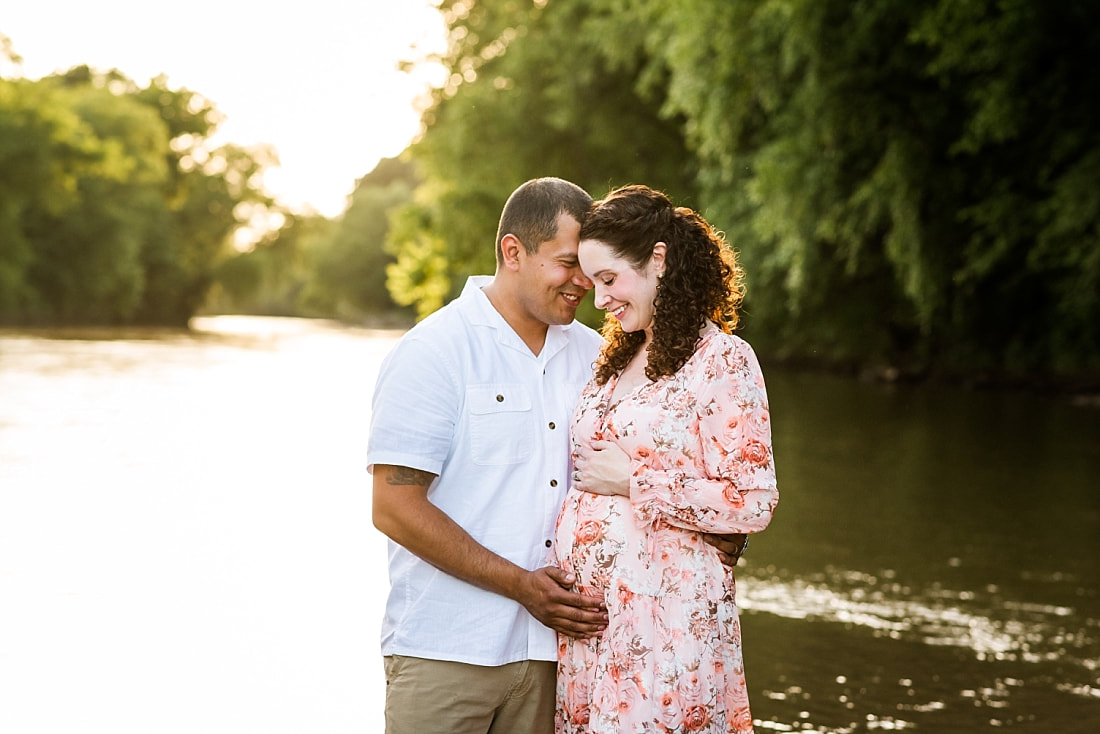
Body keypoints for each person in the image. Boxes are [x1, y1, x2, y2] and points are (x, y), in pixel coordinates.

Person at [368, 177, 749, 734]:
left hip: (566, 659)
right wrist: (522, 585)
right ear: (513, 252)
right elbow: (393, 506)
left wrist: (708, 532)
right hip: (450, 650)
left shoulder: (603, 356)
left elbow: (660, 463)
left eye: (596, 274)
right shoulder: (434, 352)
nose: (584, 287)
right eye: (568, 264)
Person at [555, 184, 779, 733]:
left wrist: (637, 481)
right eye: (592, 284)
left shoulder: (722, 360)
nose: (599, 299)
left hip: (666, 627)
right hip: (592, 632)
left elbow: (752, 501)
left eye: (609, 280)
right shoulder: (617, 358)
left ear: (658, 259)